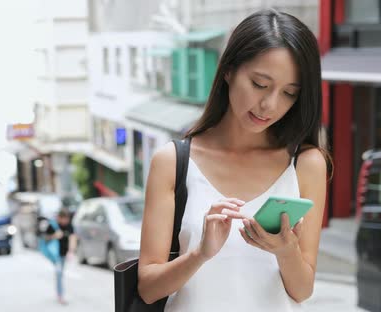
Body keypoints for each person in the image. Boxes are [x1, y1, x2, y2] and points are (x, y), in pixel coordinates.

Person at [137, 9, 332, 312]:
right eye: (259, 84)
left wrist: (285, 250)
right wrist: (199, 254)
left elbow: (302, 290)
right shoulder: (173, 162)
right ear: (228, 70)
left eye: (289, 93)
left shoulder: (306, 164)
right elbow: (148, 289)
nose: (270, 105)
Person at [41, 208, 77, 305]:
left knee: (60, 274)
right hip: (55, 255)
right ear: (59, 218)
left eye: (67, 219)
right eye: (64, 219)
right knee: (59, 273)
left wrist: (71, 251)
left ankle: (59, 294)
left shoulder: (69, 226)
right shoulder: (52, 226)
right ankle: (60, 296)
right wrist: (54, 236)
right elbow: (44, 239)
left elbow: (73, 237)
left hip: (64, 254)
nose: (66, 221)